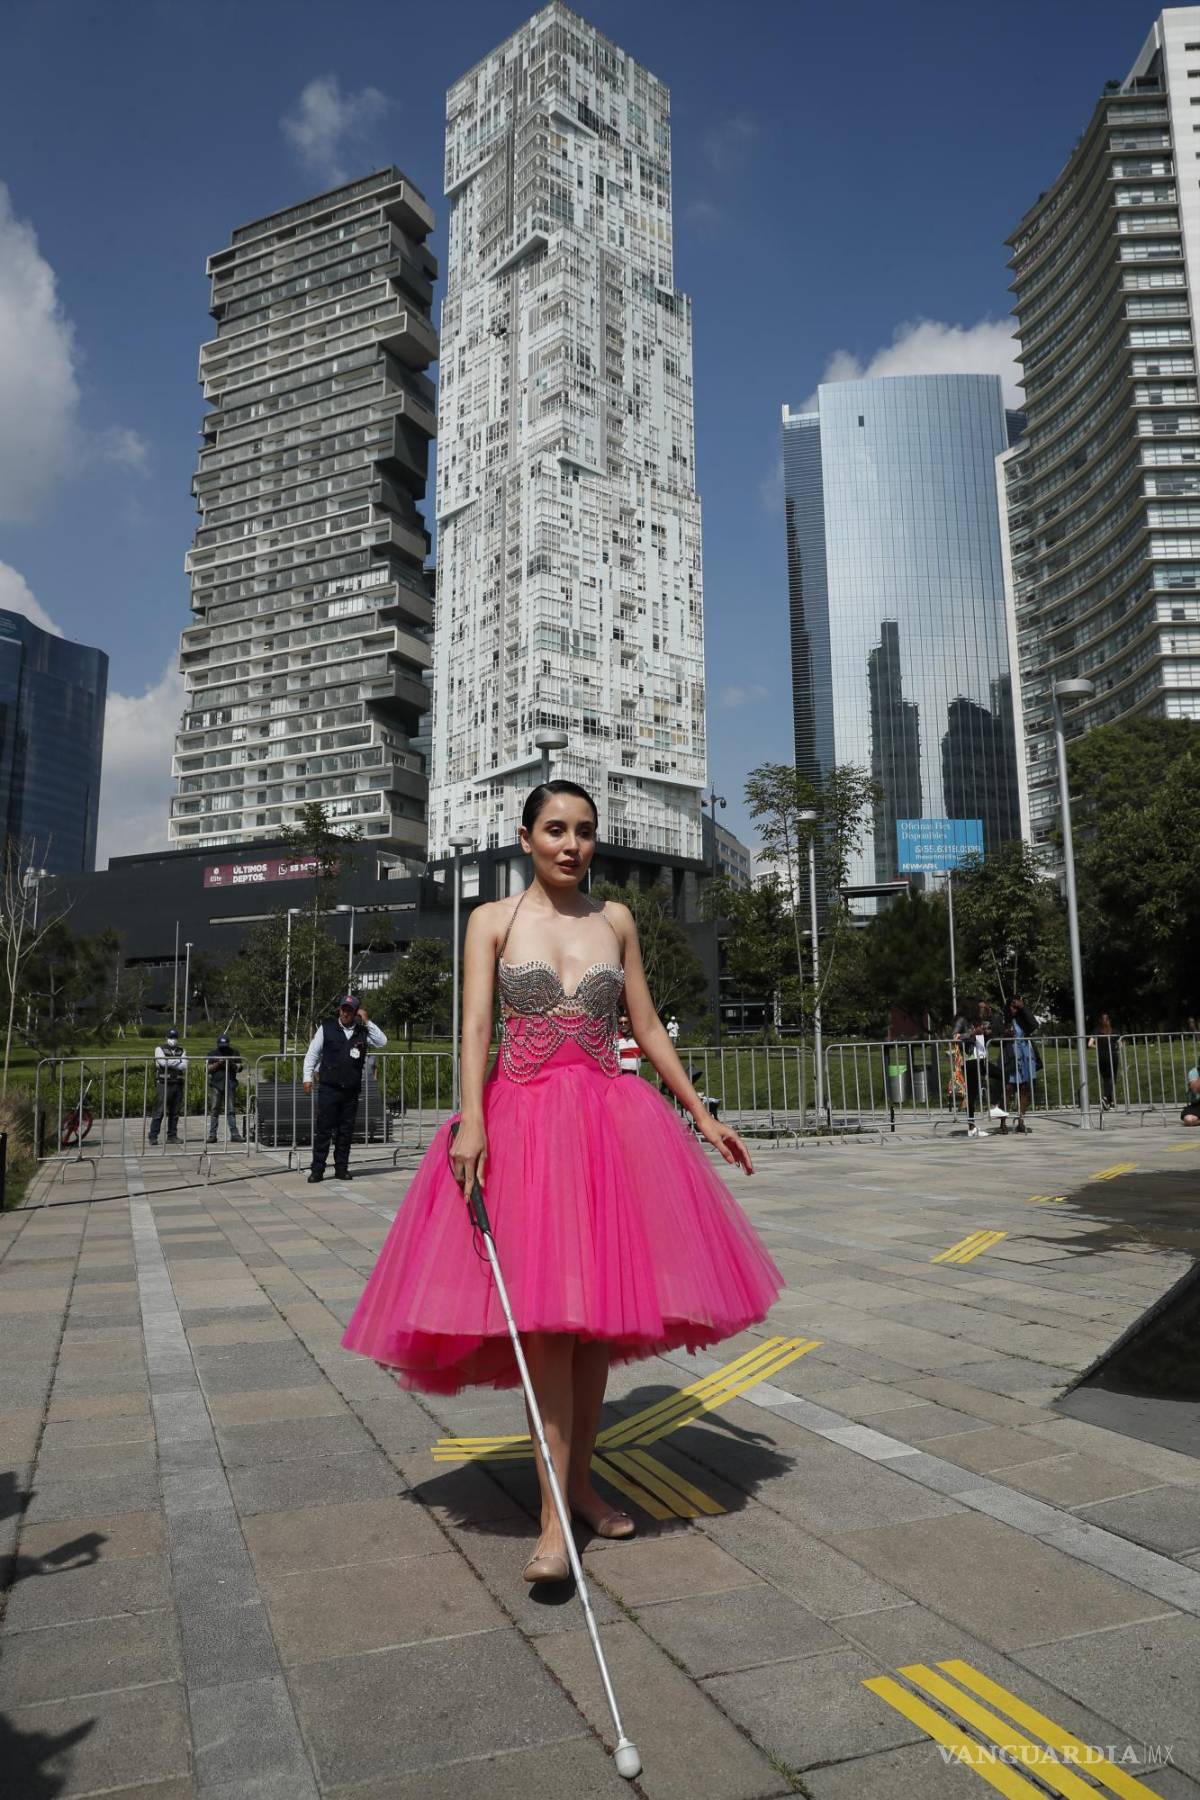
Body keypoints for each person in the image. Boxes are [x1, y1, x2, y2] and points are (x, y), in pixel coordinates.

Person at [340, 780, 783, 1583]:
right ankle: (551, 1519)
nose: (570, 845)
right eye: (555, 830)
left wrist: (704, 1114)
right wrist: (470, 1121)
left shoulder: (615, 920)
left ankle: (578, 1486)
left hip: (612, 1128)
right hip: (525, 1128)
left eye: (583, 831)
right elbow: (475, 1027)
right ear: (525, 837)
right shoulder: (492, 921)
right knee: (546, 1326)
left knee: (592, 1334)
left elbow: (643, 1025)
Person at [303, 993, 387, 1182]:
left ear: (356, 1012)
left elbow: (383, 1041)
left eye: (349, 1010)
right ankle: (317, 1170)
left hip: (350, 1090)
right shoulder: (326, 1028)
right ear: (339, 1010)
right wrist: (307, 1078)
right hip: (329, 1088)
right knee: (324, 1130)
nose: (345, 1013)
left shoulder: (362, 1032)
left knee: (345, 1131)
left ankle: (342, 1168)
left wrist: (367, 1021)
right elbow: (312, 1054)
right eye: (343, 1009)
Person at [952, 1003, 997, 1138]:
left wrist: (985, 1031)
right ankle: (971, 1127)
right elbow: (955, 1036)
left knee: (1001, 1075)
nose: (980, 1010)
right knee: (972, 1094)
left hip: (981, 1059)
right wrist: (972, 1033)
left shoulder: (977, 1021)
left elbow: (990, 1028)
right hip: (970, 1059)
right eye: (979, 1007)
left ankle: (995, 1106)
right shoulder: (963, 1020)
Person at [1003, 996, 1040, 1135]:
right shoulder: (1004, 1019)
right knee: (1008, 1088)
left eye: (1016, 1007)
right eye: (1012, 1006)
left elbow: (1034, 1025)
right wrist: (1005, 1034)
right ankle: (1003, 1121)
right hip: (1011, 1055)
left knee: (1024, 1088)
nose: (1014, 1009)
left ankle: (1021, 1120)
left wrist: (1023, 1008)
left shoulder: (1021, 1019)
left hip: (1024, 1055)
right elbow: (995, 1036)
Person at [148, 1027, 187, 1145]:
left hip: (177, 1084)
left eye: (175, 1037)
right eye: (171, 1037)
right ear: (166, 1038)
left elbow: (184, 1065)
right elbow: (162, 1062)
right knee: (159, 1111)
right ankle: (153, 1136)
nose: (173, 1040)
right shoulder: (159, 1049)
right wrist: (177, 1061)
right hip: (164, 1084)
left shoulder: (182, 1050)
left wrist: (170, 1062)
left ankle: (172, 1136)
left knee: (175, 1113)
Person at [205, 1034, 244, 1144]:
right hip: (217, 1084)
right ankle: (212, 1134)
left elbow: (239, 1068)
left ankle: (234, 1134)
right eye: (222, 1045)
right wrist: (218, 1063)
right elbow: (207, 1069)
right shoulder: (212, 1054)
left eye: (225, 1045)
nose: (224, 1048)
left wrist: (230, 1062)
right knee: (214, 1110)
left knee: (231, 1110)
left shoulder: (234, 1053)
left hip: (230, 1083)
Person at [1088, 1012, 1122, 1111]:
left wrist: (1098, 1047)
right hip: (1113, 1055)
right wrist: (1115, 1047)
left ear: (1100, 1021)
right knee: (1112, 1078)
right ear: (1109, 1020)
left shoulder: (1096, 1031)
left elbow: (1090, 1044)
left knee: (1106, 1078)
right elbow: (1121, 1044)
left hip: (1102, 1056)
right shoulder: (1114, 1031)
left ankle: (1109, 1102)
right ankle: (1106, 1098)